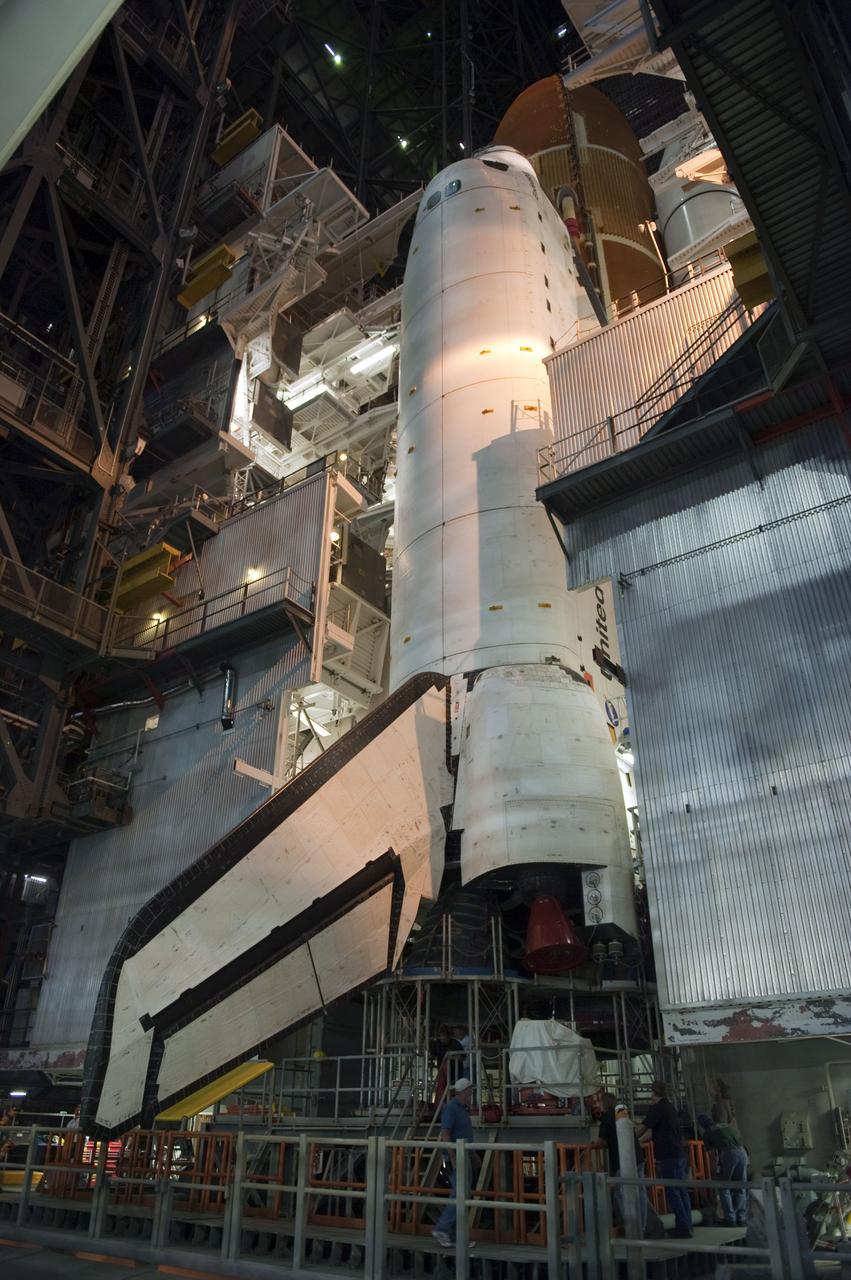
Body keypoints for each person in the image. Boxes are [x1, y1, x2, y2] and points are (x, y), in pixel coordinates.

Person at [636, 1081, 693, 1238]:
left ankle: (683, 1227)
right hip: (679, 1154)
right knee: (681, 1190)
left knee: (673, 1191)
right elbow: (655, 1131)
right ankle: (687, 1224)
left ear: (654, 1093)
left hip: (669, 1155)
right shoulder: (670, 1107)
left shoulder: (657, 1108)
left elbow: (642, 1129)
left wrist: (626, 1138)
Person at [432, 1077, 479, 1249]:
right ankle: (443, 1229)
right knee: (460, 1193)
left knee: (463, 1193)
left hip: (464, 1153)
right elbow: (445, 1133)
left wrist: (473, 1155)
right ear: (464, 1091)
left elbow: (463, 1132)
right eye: (470, 1092)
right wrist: (452, 1156)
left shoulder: (462, 1109)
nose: (471, 1095)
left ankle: (456, 1235)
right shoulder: (451, 1108)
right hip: (458, 1155)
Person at [598, 1093, 648, 1235]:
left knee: (621, 1193)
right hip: (637, 1156)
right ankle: (642, 1226)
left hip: (621, 1159)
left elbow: (601, 1141)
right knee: (640, 1190)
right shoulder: (621, 1112)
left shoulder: (606, 1117)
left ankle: (631, 1226)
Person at [698, 1113, 748, 1227]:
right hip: (742, 1152)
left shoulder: (708, 1132)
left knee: (724, 1187)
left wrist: (714, 1170)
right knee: (740, 1186)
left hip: (728, 1153)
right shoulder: (725, 1125)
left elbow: (711, 1154)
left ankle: (730, 1219)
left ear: (702, 1125)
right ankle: (741, 1218)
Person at [431, 1025, 463, 1109]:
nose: (442, 1039)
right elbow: (432, 1055)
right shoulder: (437, 1044)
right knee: (442, 1091)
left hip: (455, 1074)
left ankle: (455, 1107)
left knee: (454, 1093)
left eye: (444, 1037)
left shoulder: (456, 1044)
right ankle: (441, 1108)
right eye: (441, 1037)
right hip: (443, 1074)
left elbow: (463, 1057)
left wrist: (452, 1056)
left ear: (449, 1036)